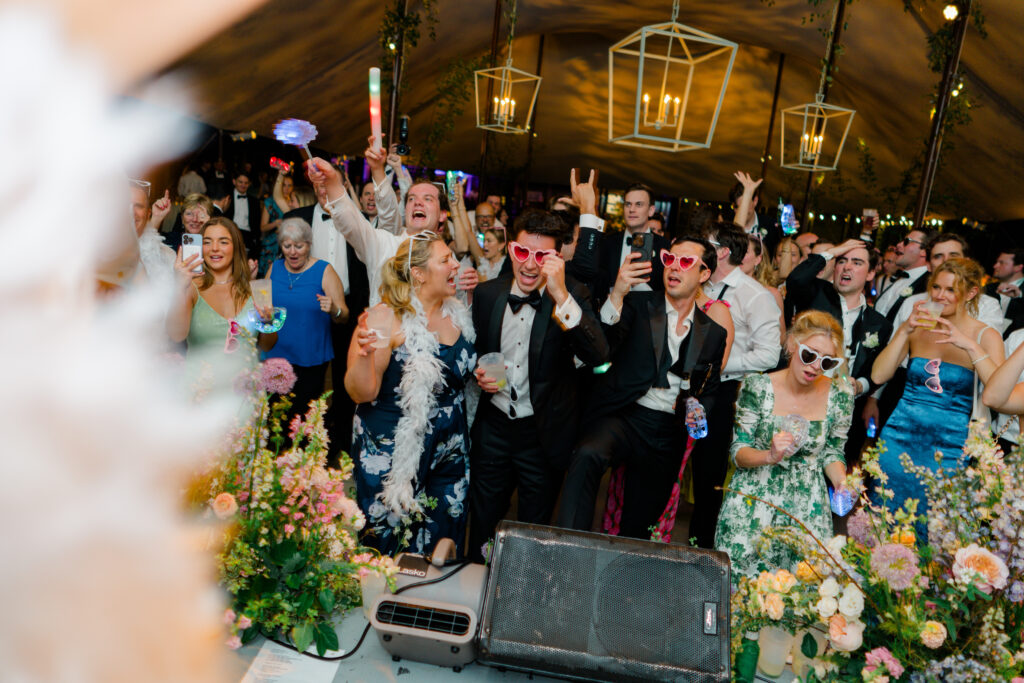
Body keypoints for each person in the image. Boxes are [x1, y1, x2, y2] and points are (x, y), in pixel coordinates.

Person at [556, 237, 727, 538]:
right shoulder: (638, 304)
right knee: (587, 454)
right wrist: (618, 293)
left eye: (685, 262)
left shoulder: (713, 332)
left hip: (666, 429)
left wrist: (698, 406)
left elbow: (710, 389)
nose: (674, 268)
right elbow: (602, 346)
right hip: (623, 413)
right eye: (669, 259)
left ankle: (623, 576)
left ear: (704, 274)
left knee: (641, 522)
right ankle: (569, 544)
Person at [469, 209, 608, 561]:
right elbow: (477, 348)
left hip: (543, 436)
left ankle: (522, 597)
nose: (530, 265)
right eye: (522, 253)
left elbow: (598, 355)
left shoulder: (572, 293)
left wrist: (560, 295)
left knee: (533, 533)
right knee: (482, 522)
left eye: (542, 256)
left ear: (557, 259)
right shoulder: (488, 295)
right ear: (511, 248)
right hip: (494, 428)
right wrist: (479, 372)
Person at [345, 233, 476, 557]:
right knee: (389, 538)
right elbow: (362, 393)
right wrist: (363, 355)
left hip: (449, 446)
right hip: (394, 448)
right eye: (445, 259)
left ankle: (431, 606)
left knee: (443, 534)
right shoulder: (384, 317)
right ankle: (382, 605)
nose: (455, 264)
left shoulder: (457, 311)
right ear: (417, 272)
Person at [715, 310, 854, 580]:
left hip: (808, 509)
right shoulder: (757, 387)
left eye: (826, 362)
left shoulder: (840, 395)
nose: (815, 366)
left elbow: (833, 452)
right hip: (753, 506)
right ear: (792, 345)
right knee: (740, 593)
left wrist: (840, 482)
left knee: (800, 601)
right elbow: (738, 453)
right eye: (809, 355)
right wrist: (770, 455)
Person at [871, 258, 1004, 518]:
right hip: (898, 436)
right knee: (886, 509)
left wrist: (970, 347)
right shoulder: (919, 328)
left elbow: (998, 395)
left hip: (951, 445)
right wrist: (905, 330)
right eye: (936, 288)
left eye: (951, 290)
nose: (940, 296)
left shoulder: (985, 336)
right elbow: (878, 375)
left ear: (971, 293)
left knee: (935, 518)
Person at [694, 221, 782, 547]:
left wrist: (717, 364)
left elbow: (770, 355)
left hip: (727, 391)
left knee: (710, 473)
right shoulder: (698, 285)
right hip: (688, 389)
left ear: (722, 252)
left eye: (705, 244)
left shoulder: (755, 295)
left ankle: (704, 549)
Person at [282, 166, 370, 459]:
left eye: (328, 185)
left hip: (349, 308)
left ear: (341, 187)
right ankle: (301, 443)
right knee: (307, 382)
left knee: (346, 382)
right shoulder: (296, 219)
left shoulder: (361, 222)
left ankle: (339, 445)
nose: (323, 191)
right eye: (318, 185)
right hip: (306, 313)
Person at [785, 239, 893, 464]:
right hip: (800, 401)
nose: (846, 267)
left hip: (843, 413)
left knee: (833, 475)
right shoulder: (816, 293)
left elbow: (875, 370)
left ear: (871, 273)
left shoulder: (879, 323)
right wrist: (832, 252)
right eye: (842, 261)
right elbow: (795, 279)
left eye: (856, 262)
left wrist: (860, 385)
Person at [166, 217, 277, 376]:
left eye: (223, 242)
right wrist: (179, 287)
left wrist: (268, 323)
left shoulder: (255, 289)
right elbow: (176, 335)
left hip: (245, 391)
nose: (215, 248)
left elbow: (267, 346)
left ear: (236, 247)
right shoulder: (190, 287)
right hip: (202, 390)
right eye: (207, 242)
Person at [264, 217, 348, 418]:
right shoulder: (274, 268)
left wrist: (334, 308)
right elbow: (262, 309)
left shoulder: (324, 271)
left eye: (299, 246)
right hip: (276, 357)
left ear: (309, 245)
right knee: (276, 417)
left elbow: (344, 315)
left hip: (310, 359)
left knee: (302, 418)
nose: (293, 252)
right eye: (287, 246)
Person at [591, 182, 671, 303]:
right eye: (628, 204)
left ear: (650, 210)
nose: (632, 209)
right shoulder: (607, 242)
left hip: (649, 317)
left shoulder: (665, 247)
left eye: (639, 204)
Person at [257, 169, 301, 276]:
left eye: (289, 185)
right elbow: (262, 228)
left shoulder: (295, 203)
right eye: (284, 185)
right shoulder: (271, 202)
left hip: (291, 243)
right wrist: (276, 223)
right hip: (273, 243)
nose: (286, 188)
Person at [226, 171, 262, 259]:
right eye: (240, 182)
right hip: (229, 232)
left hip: (247, 236)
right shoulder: (226, 198)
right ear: (234, 182)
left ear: (249, 184)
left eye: (246, 183)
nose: (243, 185)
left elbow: (257, 223)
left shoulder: (254, 201)